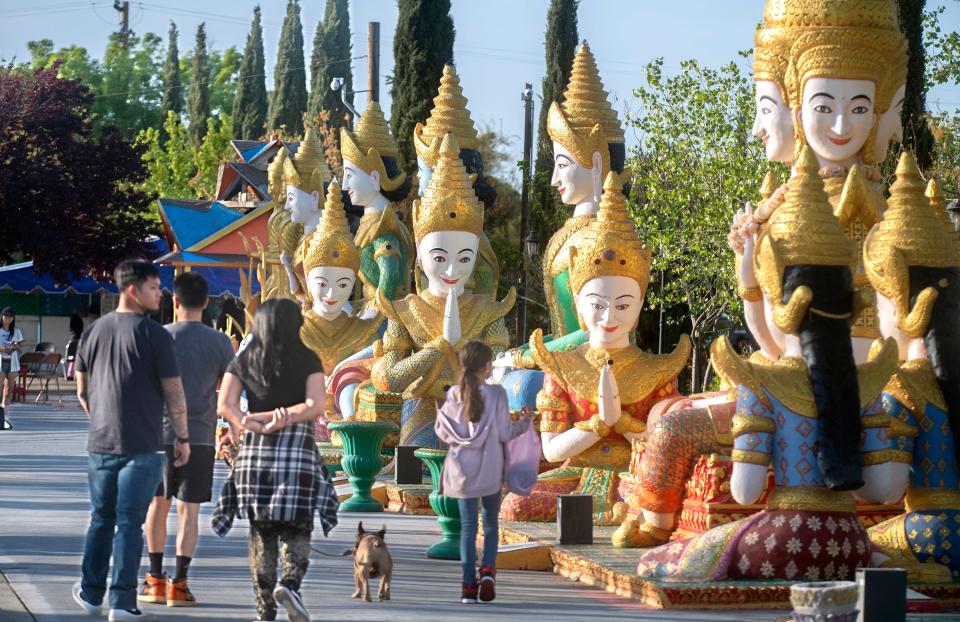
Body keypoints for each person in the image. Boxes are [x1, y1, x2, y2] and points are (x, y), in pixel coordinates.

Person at [72, 259, 191, 622]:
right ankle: (122, 603)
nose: (161, 293)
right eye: (155, 287)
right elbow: (174, 393)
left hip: (101, 444)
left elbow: (81, 390)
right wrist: (183, 437)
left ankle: (91, 594)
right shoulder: (156, 336)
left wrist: (104, 418)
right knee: (128, 524)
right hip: (145, 445)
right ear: (134, 290)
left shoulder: (93, 333)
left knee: (101, 519)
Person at [212, 298, 338, 622]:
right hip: (297, 450)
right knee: (298, 526)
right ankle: (290, 583)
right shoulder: (307, 358)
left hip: (256, 451)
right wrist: (281, 418)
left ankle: (264, 609)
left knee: (261, 531)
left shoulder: (245, 360)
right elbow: (315, 404)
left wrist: (247, 421)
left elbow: (225, 404)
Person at [140, 273, 235, 607]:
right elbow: (233, 390)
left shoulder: (156, 337)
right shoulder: (221, 343)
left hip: (158, 435)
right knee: (188, 513)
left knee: (157, 505)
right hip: (201, 437)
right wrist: (231, 428)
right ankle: (179, 585)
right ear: (207, 303)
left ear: (175, 301)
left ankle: (153, 581)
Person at [434, 341, 531, 605]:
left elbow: (442, 432)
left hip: (461, 471)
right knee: (490, 525)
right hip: (489, 469)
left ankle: (467, 587)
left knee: (467, 528)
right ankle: (487, 571)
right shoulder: (497, 394)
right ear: (487, 366)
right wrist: (525, 422)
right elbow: (505, 433)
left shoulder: (454, 394)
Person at [0, 307, 23, 430]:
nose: (8, 319)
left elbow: (20, 345)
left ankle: (5, 416)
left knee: (8, 391)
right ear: (2, 316)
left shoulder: (16, 330)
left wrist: (15, 346)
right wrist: (3, 349)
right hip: (1, 361)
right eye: (6, 316)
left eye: (10, 316)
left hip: (12, 363)